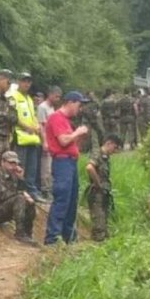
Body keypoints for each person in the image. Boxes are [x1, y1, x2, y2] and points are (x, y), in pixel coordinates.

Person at [44, 91, 89, 245]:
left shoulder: (66, 121)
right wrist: (77, 132)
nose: (80, 108)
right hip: (62, 163)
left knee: (72, 201)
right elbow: (63, 141)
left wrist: (79, 138)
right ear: (70, 102)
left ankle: (68, 236)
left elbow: (72, 145)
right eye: (79, 104)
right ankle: (52, 238)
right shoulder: (57, 117)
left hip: (70, 162)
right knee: (62, 199)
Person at [0, 150, 38, 245]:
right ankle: (19, 233)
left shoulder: (13, 175)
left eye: (15, 163)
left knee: (30, 202)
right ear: (2, 162)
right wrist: (22, 194)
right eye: (11, 163)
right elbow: (3, 196)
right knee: (20, 198)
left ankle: (27, 233)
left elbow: (18, 192)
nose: (14, 166)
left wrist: (20, 179)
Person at [9, 72, 41, 198]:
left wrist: (37, 126)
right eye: (24, 81)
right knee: (19, 167)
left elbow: (32, 116)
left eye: (28, 81)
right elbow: (13, 117)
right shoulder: (13, 97)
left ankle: (31, 192)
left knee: (32, 169)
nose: (26, 84)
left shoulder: (28, 98)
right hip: (20, 138)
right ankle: (18, 191)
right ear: (18, 82)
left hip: (32, 138)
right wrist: (27, 127)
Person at [85, 133, 121, 241]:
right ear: (108, 143)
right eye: (114, 147)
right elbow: (89, 168)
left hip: (104, 193)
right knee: (99, 225)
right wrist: (98, 183)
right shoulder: (97, 154)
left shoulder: (106, 158)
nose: (114, 151)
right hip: (97, 193)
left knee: (104, 223)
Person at [37, 86, 60, 199]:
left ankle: (50, 188)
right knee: (46, 167)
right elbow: (41, 125)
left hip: (53, 141)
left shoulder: (52, 108)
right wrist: (44, 142)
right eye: (56, 96)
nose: (57, 99)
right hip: (46, 139)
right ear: (50, 94)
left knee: (51, 166)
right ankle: (45, 190)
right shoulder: (42, 107)